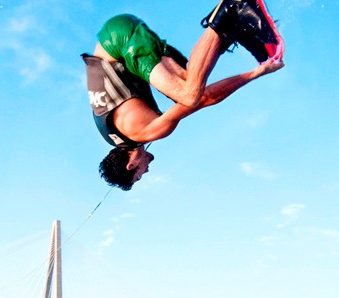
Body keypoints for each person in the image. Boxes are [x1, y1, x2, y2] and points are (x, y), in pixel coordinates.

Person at [83, 0, 284, 190]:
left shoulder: (141, 132)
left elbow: (204, 99)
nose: (147, 170)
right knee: (191, 81)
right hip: (116, 34)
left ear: (131, 166)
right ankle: (231, 30)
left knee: (189, 95)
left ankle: (232, 8)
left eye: (140, 175)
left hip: (120, 39)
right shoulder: (116, 136)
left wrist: (256, 73)